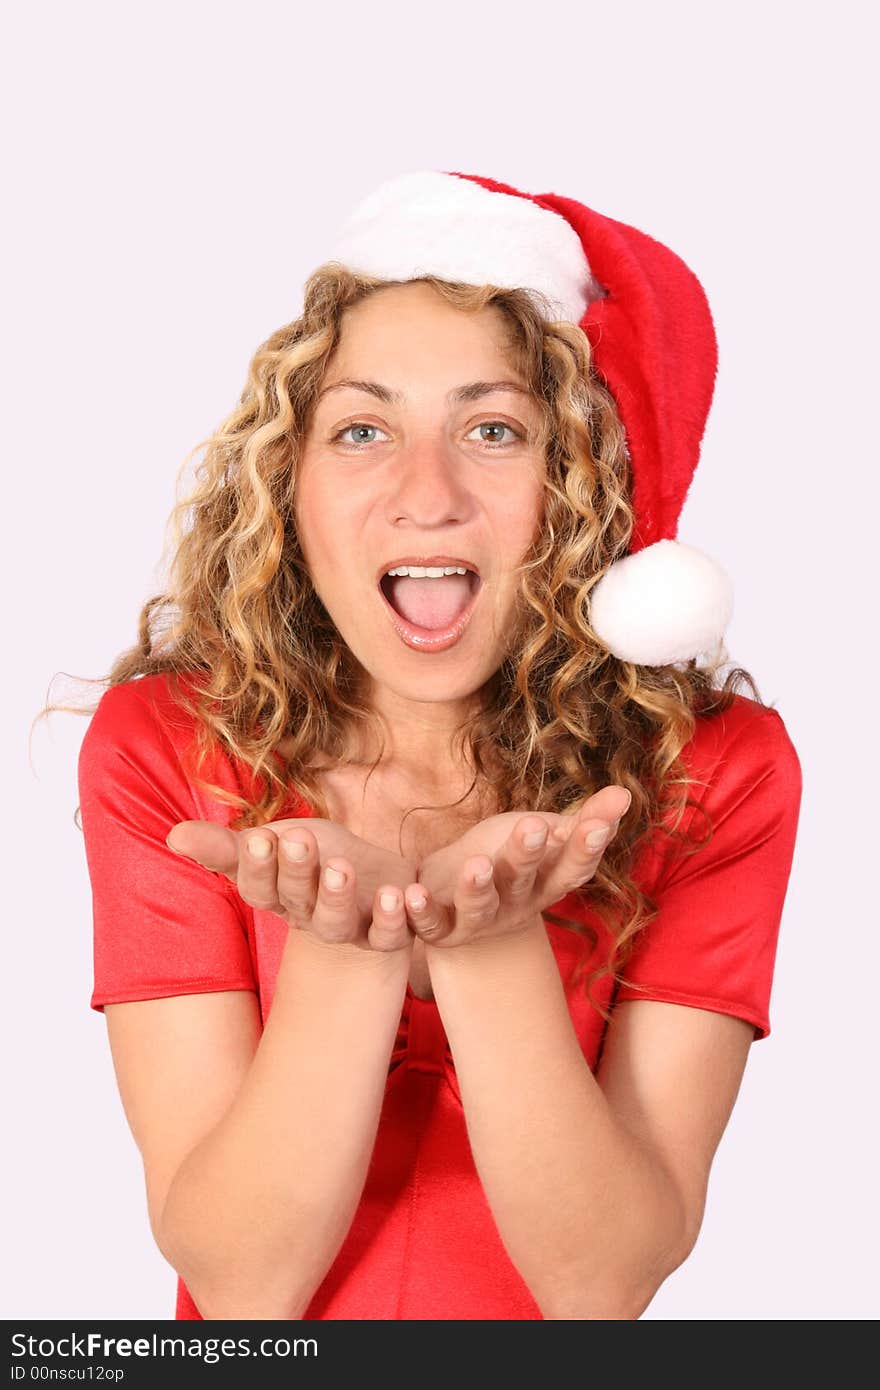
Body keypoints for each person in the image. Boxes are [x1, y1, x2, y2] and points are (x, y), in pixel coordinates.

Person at [69, 170, 802, 1320]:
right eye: (362, 428)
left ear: (577, 488)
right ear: (288, 485)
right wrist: (346, 949)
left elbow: (602, 1282)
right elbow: (242, 1287)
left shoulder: (709, 769)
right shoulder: (172, 746)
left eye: (494, 429)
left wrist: (489, 943)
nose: (427, 495)